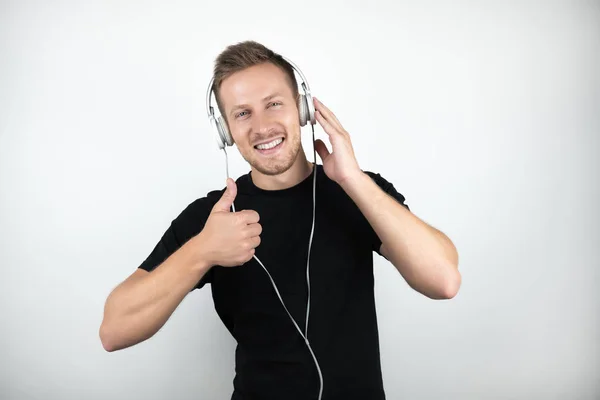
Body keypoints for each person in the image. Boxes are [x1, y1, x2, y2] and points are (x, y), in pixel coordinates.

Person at [99, 40, 461, 400]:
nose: (262, 126)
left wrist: (353, 180)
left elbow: (443, 280)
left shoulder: (361, 193)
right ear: (225, 131)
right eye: (242, 113)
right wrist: (201, 252)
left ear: (302, 109)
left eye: (273, 104)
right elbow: (114, 331)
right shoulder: (213, 218)